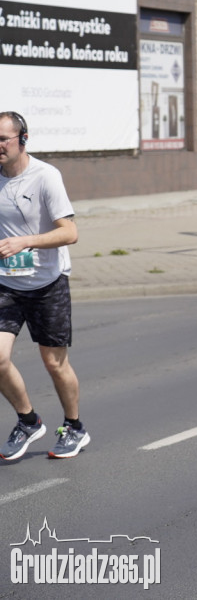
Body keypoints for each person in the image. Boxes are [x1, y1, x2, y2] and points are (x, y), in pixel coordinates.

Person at [0, 112, 88, 461]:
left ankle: (74, 426)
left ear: (23, 140)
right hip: (6, 284)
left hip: (47, 284)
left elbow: (70, 232)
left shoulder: (46, 177)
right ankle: (28, 420)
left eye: (4, 139)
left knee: (54, 363)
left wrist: (26, 242)